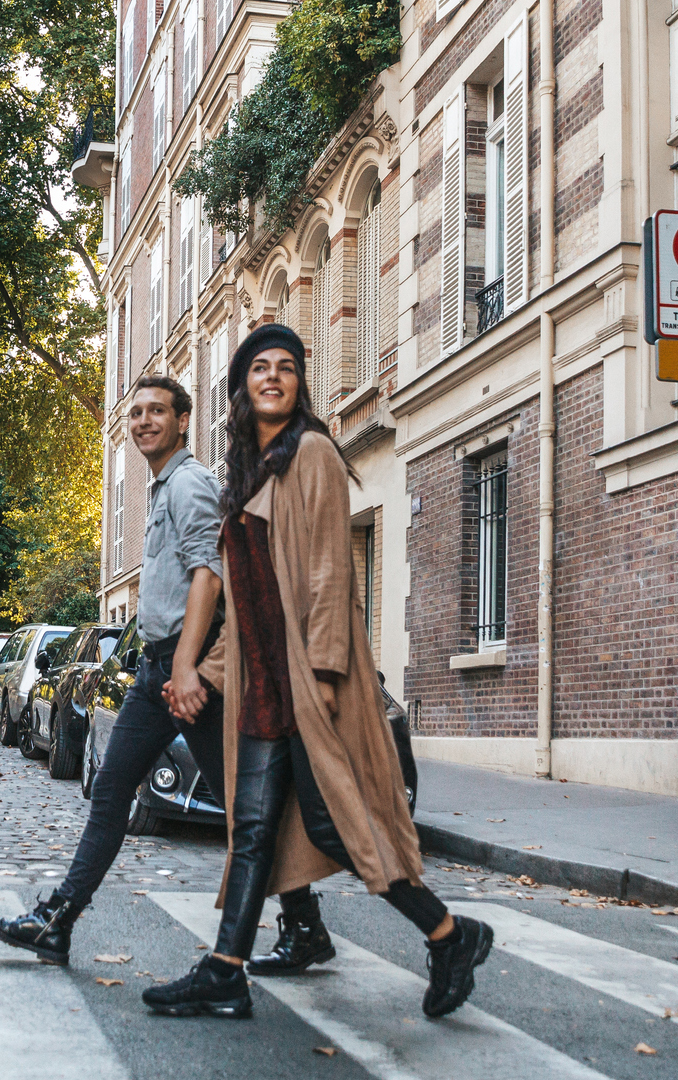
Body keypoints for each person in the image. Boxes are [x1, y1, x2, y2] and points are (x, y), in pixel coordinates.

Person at [140, 326, 491, 1022]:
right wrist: (208, 671)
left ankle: (452, 935)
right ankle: (225, 972)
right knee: (251, 827)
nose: (272, 377)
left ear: (298, 384)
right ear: (241, 388)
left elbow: (332, 573)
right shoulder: (251, 472)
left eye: (286, 368)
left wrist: (328, 675)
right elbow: (245, 606)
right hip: (263, 686)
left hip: (309, 681)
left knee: (338, 827)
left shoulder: (314, 454)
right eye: (259, 369)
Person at [0, 374, 331, 970]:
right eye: (136, 412)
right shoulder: (162, 487)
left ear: (183, 419)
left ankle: (309, 925)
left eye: (157, 411)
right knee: (117, 787)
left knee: (243, 807)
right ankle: (58, 921)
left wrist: (188, 666)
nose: (143, 421)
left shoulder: (189, 485)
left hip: (187, 669)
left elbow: (208, 573)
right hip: (159, 665)